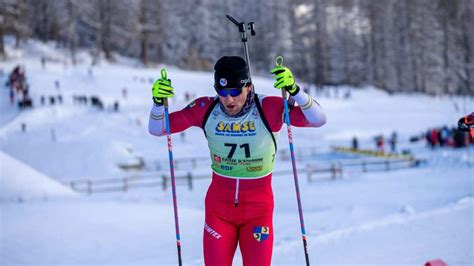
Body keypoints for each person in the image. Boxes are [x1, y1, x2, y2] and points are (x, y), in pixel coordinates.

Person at [148, 56, 326, 266]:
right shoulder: (206, 108)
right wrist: (159, 104)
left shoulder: (268, 108)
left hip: (258, 211)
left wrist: (296, 91)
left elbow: (318, 119)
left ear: (248, 87)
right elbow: (158, 128)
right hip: (219, 211)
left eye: (235, 92)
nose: (229, 99)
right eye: (222, 92)